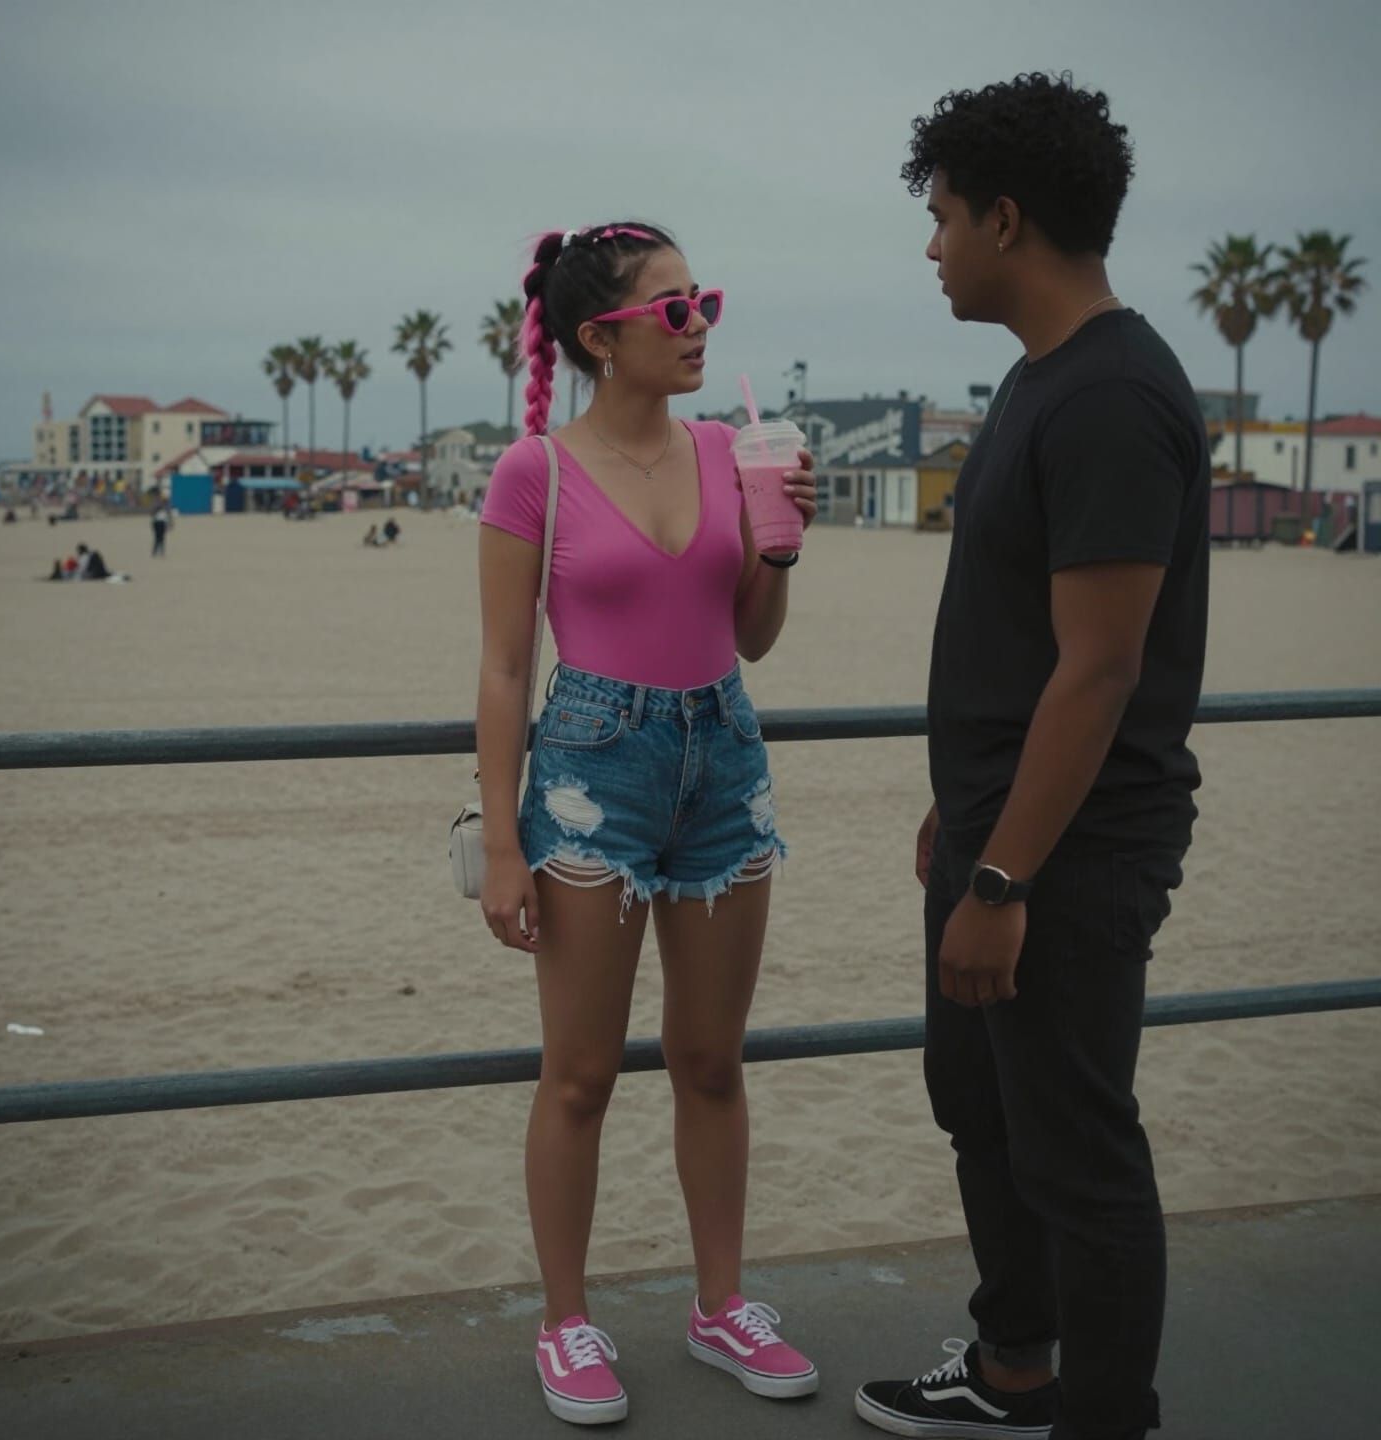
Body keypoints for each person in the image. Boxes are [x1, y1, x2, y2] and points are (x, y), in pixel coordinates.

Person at [854, 74, 1210, 1440]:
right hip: (1001, 832)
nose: (931, 244)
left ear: (1006, 217)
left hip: (1072, 851)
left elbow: (1103, 666)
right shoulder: (1037, 381)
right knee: (981, 1109)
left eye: (942, 217)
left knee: (1077, 1150)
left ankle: (1103, 1421)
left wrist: (1005, 876)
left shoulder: (1113, 396)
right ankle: (1013, 1373)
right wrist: (966, 824)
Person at [476, 222, 819, 1427]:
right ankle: (566, 1321)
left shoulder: (729, 449)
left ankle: (720, 1304)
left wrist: (783, 545)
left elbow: (754, 635)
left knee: (712, 1061)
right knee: (577, 1076)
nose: (699, 324)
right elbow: (506, 669)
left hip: (724, 755)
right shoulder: (538, 473)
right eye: (672, 308)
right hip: (588, 772)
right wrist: (504, 843)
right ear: (597, 339)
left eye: (704, 299)